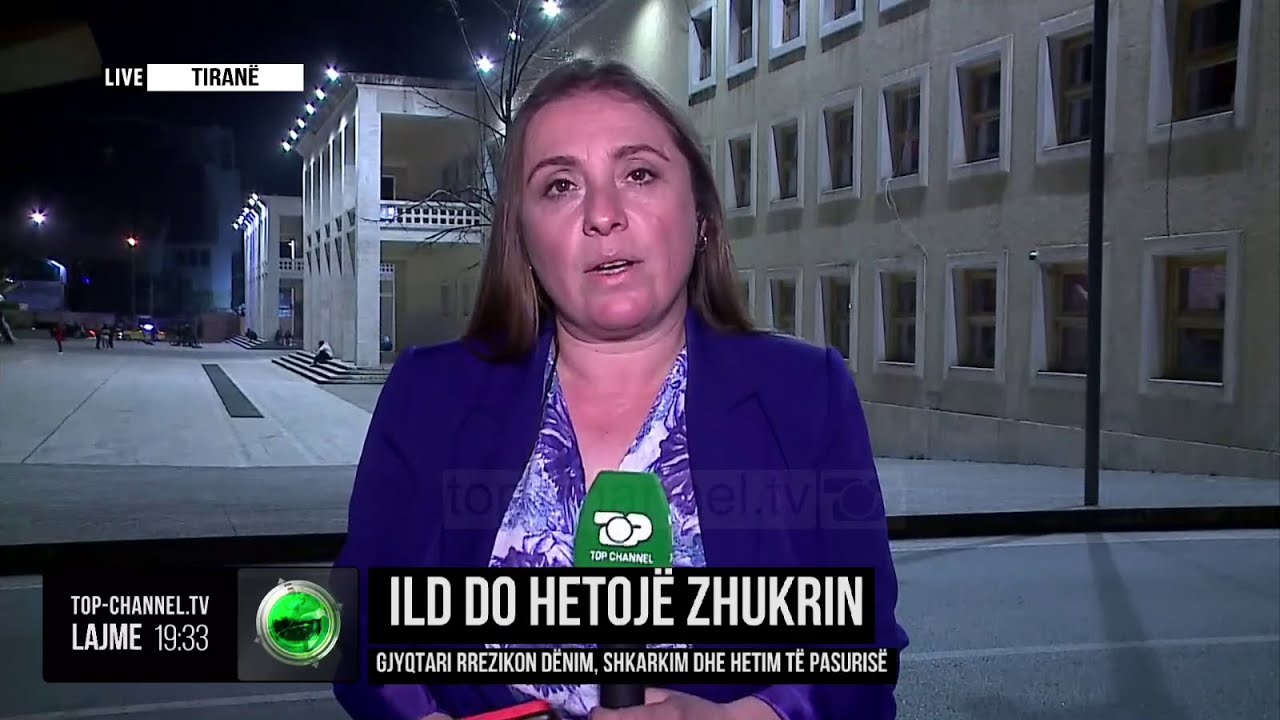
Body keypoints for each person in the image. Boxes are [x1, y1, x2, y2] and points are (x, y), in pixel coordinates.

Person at [332, 59, 907, 720]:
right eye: (559, 186)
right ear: (523, 237)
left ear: (700, 215)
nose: (603, 215)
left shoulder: (806, 395)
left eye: (639, 174)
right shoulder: (430, 396)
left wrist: (738, 717)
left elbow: (862, 659)